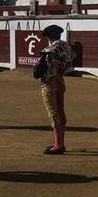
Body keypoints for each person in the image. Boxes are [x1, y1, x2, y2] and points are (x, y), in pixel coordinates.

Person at [33, 24, 75, 154]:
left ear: (49, 37)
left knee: (54, 113)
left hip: (49, 83)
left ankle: (58, 145)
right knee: (61, 112)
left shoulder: (49, 50)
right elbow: (72, 60)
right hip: (60, 81)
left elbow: (37, 73)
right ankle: (60, 143)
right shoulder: (66, 47)